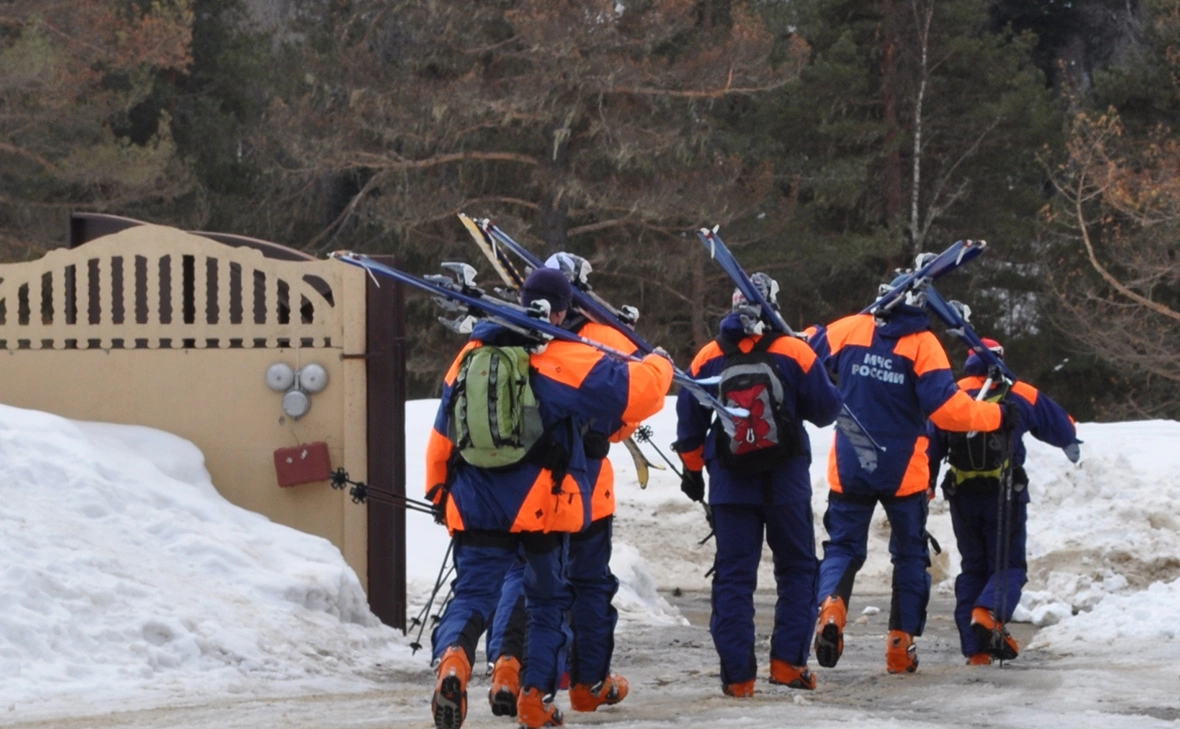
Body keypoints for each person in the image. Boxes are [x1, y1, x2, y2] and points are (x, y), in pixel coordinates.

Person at [425, 267, 674, 729]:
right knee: (546, 602)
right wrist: (659, 362)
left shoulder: (471, 354)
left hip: (474, 501)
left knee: (474, 592)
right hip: (540, 506)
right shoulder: (562, 357)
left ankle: (454, 661)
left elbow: (444, 429)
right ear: (565, 310)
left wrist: (439, 488)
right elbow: (634, 395)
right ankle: (535, 702)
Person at [806, 280, 1016, 674]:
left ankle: (831, 607)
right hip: (904, 469)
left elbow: (806, 354)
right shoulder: (923, 344)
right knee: (909, 557)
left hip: (852, 459)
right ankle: (900, 647)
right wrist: (997, 415)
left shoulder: (850, 328)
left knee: (842, 548)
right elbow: (950, 411)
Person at [487, 255, 643, 718]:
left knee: (524, 577)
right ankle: (587, 683)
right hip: (588, 487)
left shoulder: (510, 333)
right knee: (589, 584)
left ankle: (507, 665)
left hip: (525, 485)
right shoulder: (608, 338)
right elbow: (631, 408)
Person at [675, 273, 842, 697]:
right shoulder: (794, 351)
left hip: (731, 484)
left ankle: (738, 677)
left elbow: (690, 424)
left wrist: (694, 470)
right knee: (798, 570)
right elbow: (825, 412)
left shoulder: (709, 356)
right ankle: (787, 664)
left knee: (733, 578)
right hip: (785, 482)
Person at [926, 337, 1079, 665]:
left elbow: (932, 442)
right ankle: (988, 613)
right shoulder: (1019, 392)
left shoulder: (952, 392)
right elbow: (1062, 427)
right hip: (1005, 495)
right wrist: (1070, 440)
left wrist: (925, 486)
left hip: (963, 494)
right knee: (1008, 565)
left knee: (974, 568)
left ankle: (977, 651)